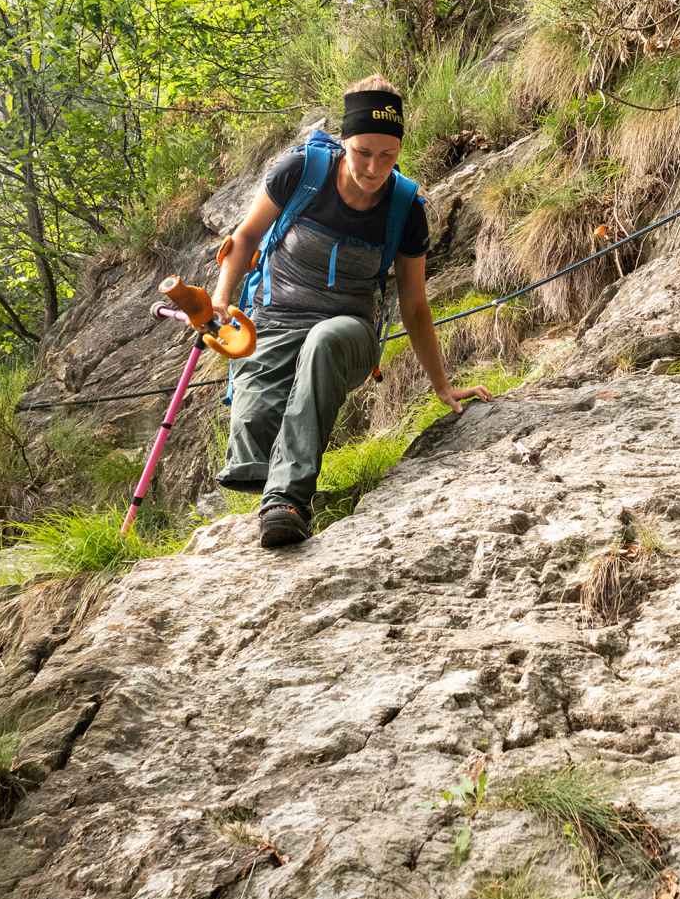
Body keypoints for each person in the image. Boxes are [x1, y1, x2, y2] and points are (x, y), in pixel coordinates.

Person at [210, 76, 493, 548]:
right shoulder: (300, 173)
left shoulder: (406, 209)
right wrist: (221, 298)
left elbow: (415, 303)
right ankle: (277, 480)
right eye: (363, 151)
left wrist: (442, 384)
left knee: (324, 342)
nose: (373, 167)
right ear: (344, 142)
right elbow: (245, 238)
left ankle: (289, 502)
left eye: (387, 155)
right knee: (252, 426)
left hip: (350, 331)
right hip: (276, 318)